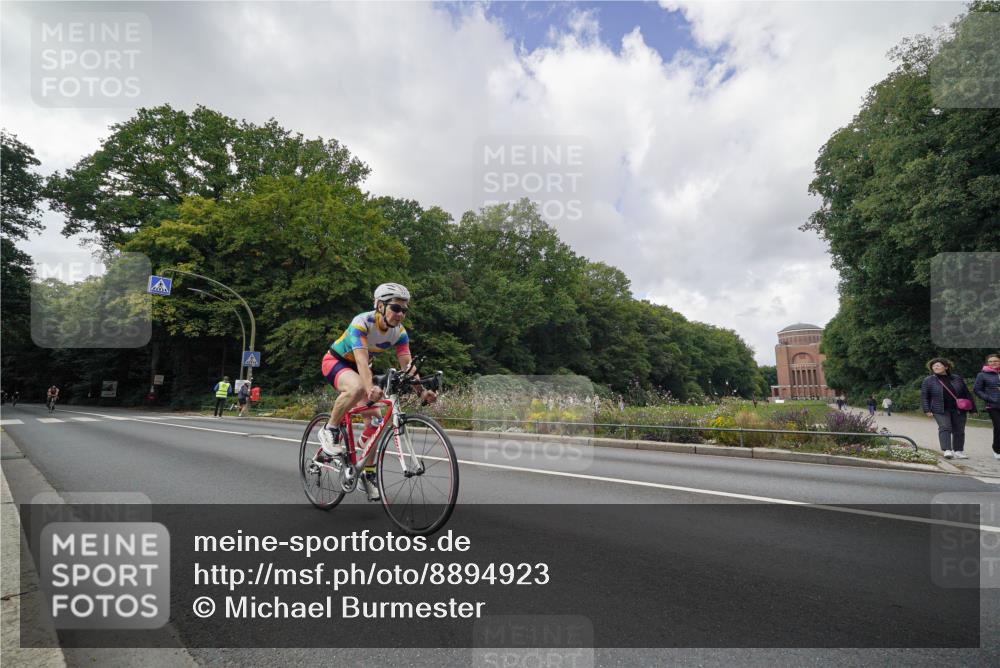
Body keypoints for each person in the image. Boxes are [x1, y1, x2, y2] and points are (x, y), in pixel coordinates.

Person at [318, 283, 437, 501]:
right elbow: (361, 361)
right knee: (357, 387)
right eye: (396, 308)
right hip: (336, 362)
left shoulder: (399, 333)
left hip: (362, 368)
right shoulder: (361, 323)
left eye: (404, 310)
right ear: (380, 306)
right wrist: (370, 386)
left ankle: (368, 474)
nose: (400, 314)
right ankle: (330, 429)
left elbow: (407, 365)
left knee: (375, 423)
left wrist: (421, 392)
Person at [921, 358, 975, 459]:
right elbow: (925, 396)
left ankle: (958, 451)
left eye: (938, 365)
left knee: (959, 430)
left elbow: (966, 393)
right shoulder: (928, 380)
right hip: (939, 409)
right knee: (945, 427)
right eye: (934, 366)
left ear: (946, 367)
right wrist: (927, 409)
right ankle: (947, 450)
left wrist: (973, 409)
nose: (935, 367)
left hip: (958, 409)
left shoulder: (957, 378)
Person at [973, 353, 1000, 461]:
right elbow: (977, 390)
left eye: (996, 361)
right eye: (991, 361)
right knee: (998, 427)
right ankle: (997, 450)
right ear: (987, 363)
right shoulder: (982, 375)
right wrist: (989, 398)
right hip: (993, 405)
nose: (993, 363)